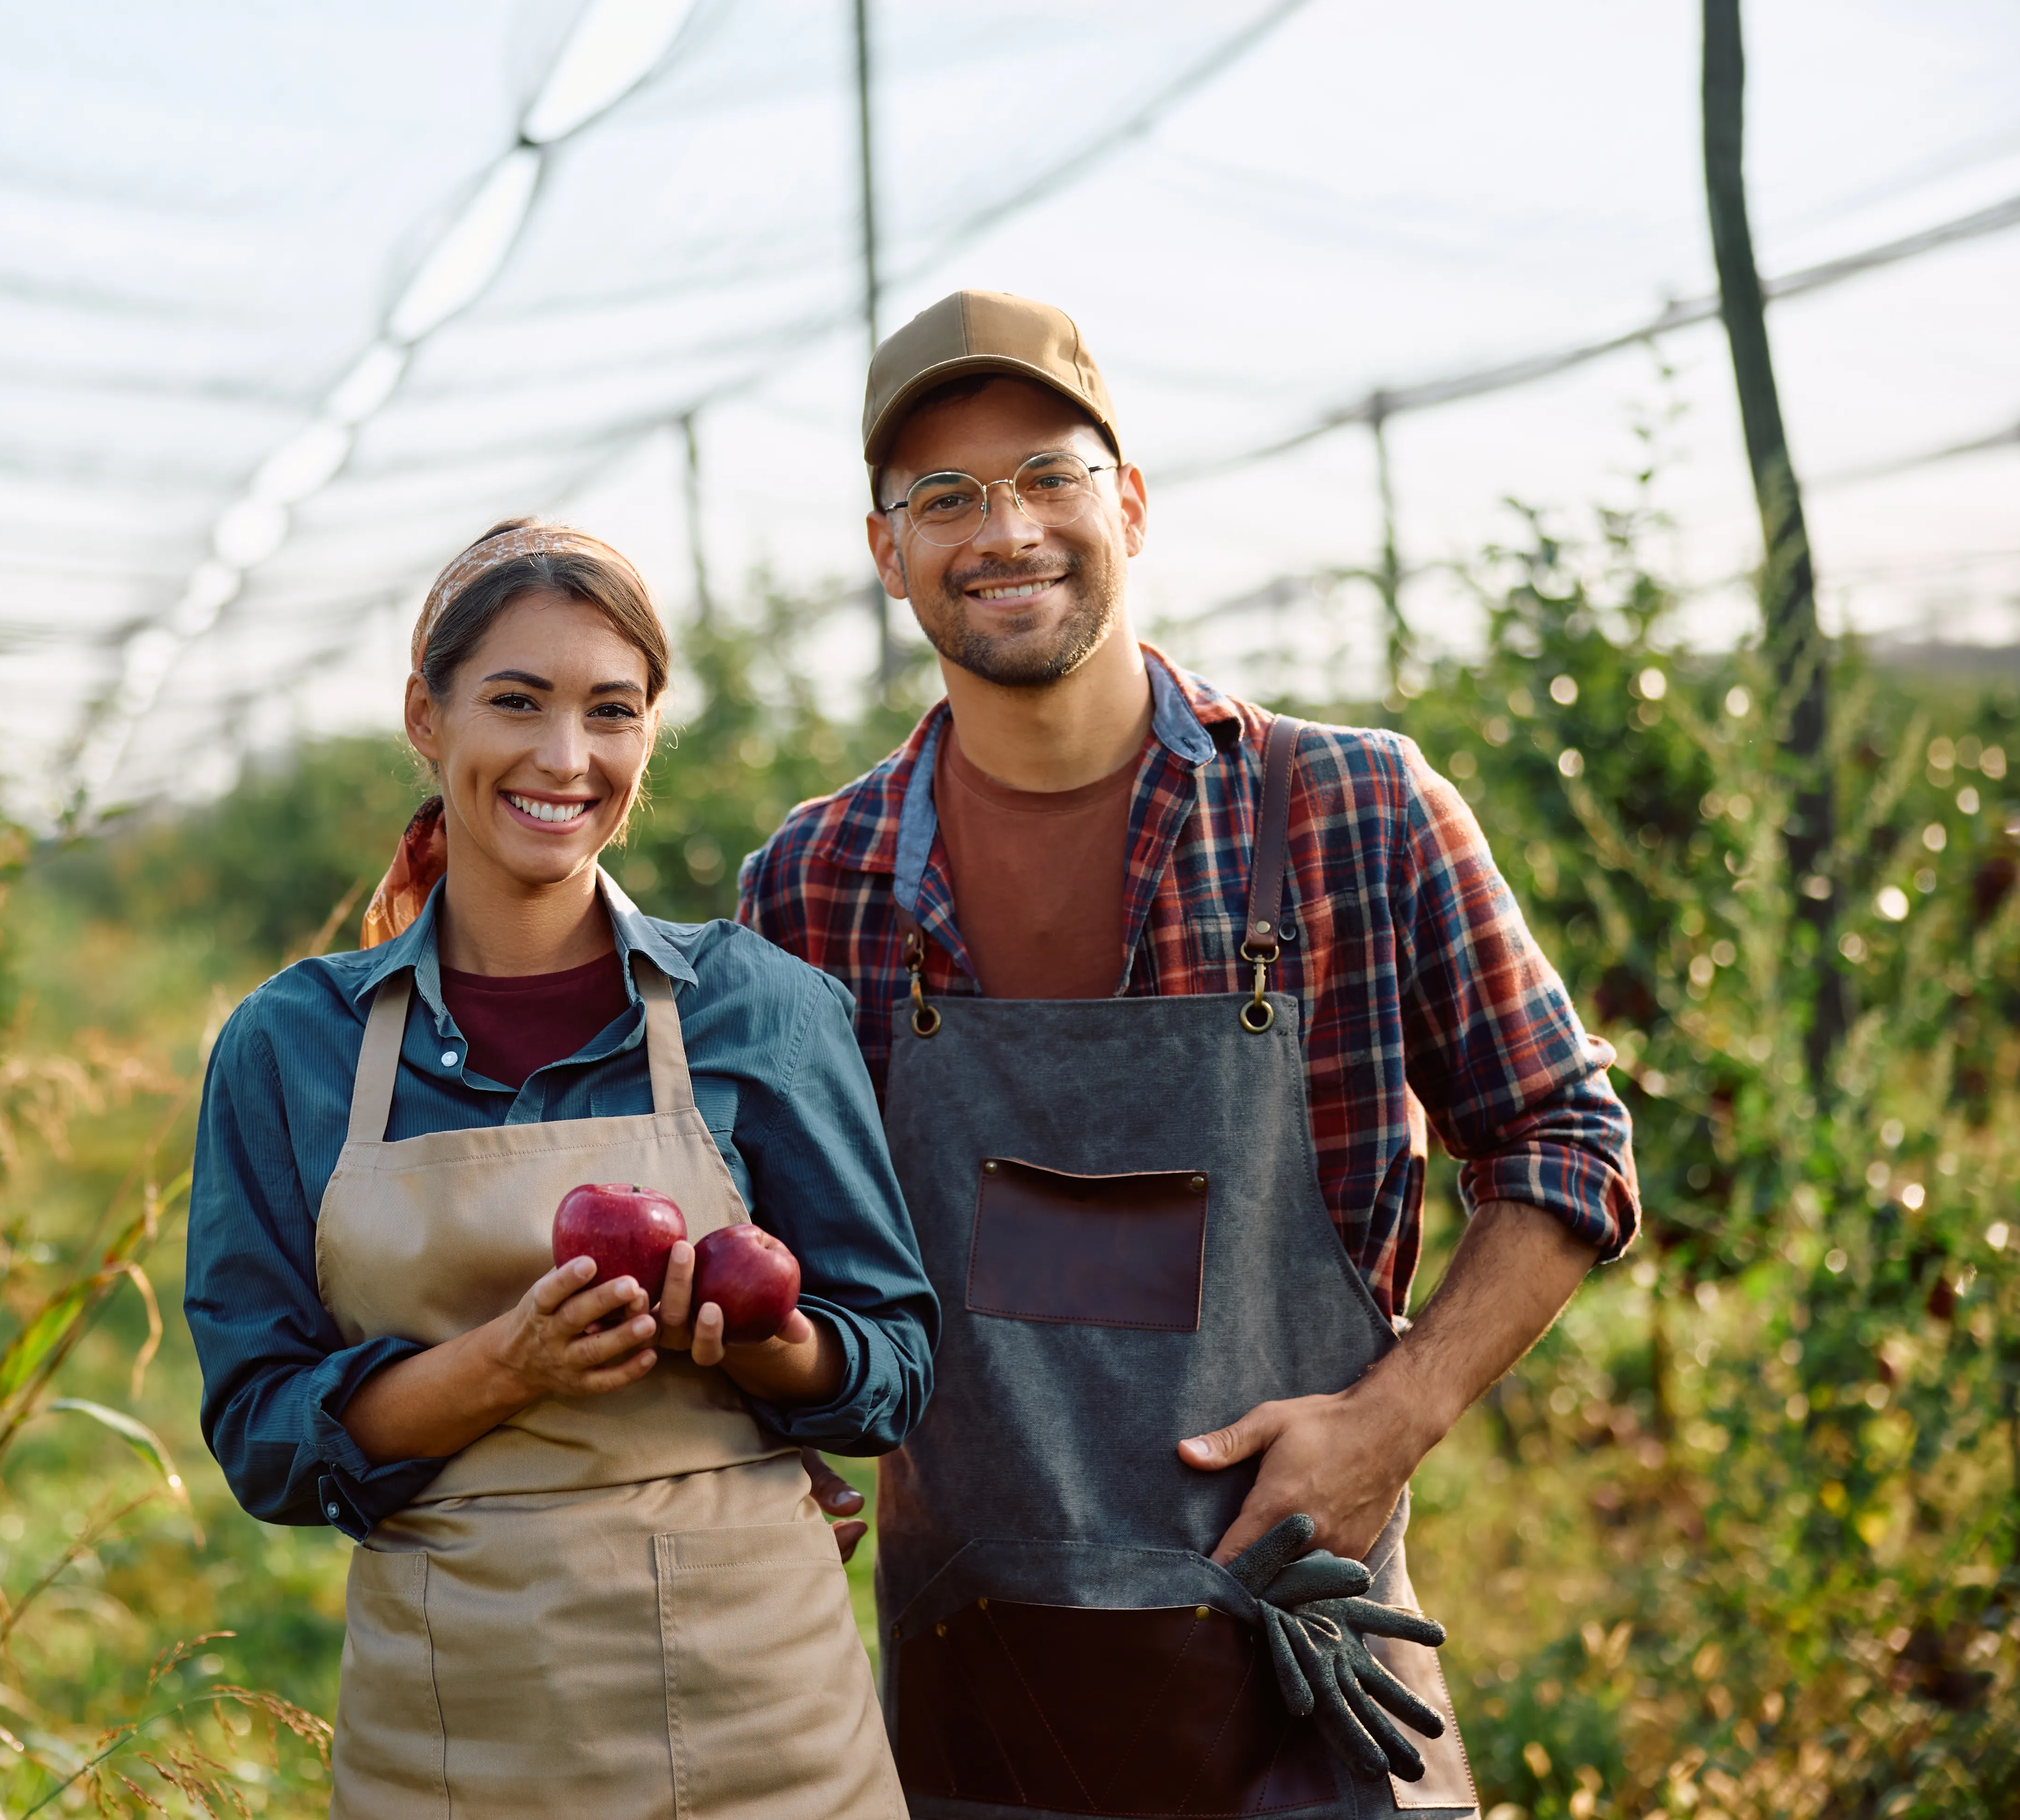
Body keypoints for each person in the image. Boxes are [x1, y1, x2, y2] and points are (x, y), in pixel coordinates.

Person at [738, 292, 1641, 1819]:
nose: (1001, 528)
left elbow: (1566, 1138)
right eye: (942, 497)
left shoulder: (1349, 814)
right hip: (981, 1694)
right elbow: (776, 1250)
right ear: (887, 554)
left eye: (1047, 476)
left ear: (1131, 506)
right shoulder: (814, 887)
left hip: (1317, 1671)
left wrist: (1389, 1421)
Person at [187, 520, 933, 1819]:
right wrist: (502, 1369)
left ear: (650, 735)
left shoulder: (760, 1010)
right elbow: (262, 1435)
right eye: (516, 702)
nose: (565, 757)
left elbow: (893, 1369)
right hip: (454, 1741)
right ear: (427, 716)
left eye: (612, 711)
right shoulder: (290, 1048)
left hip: (767, 1737)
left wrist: (759, 1344)